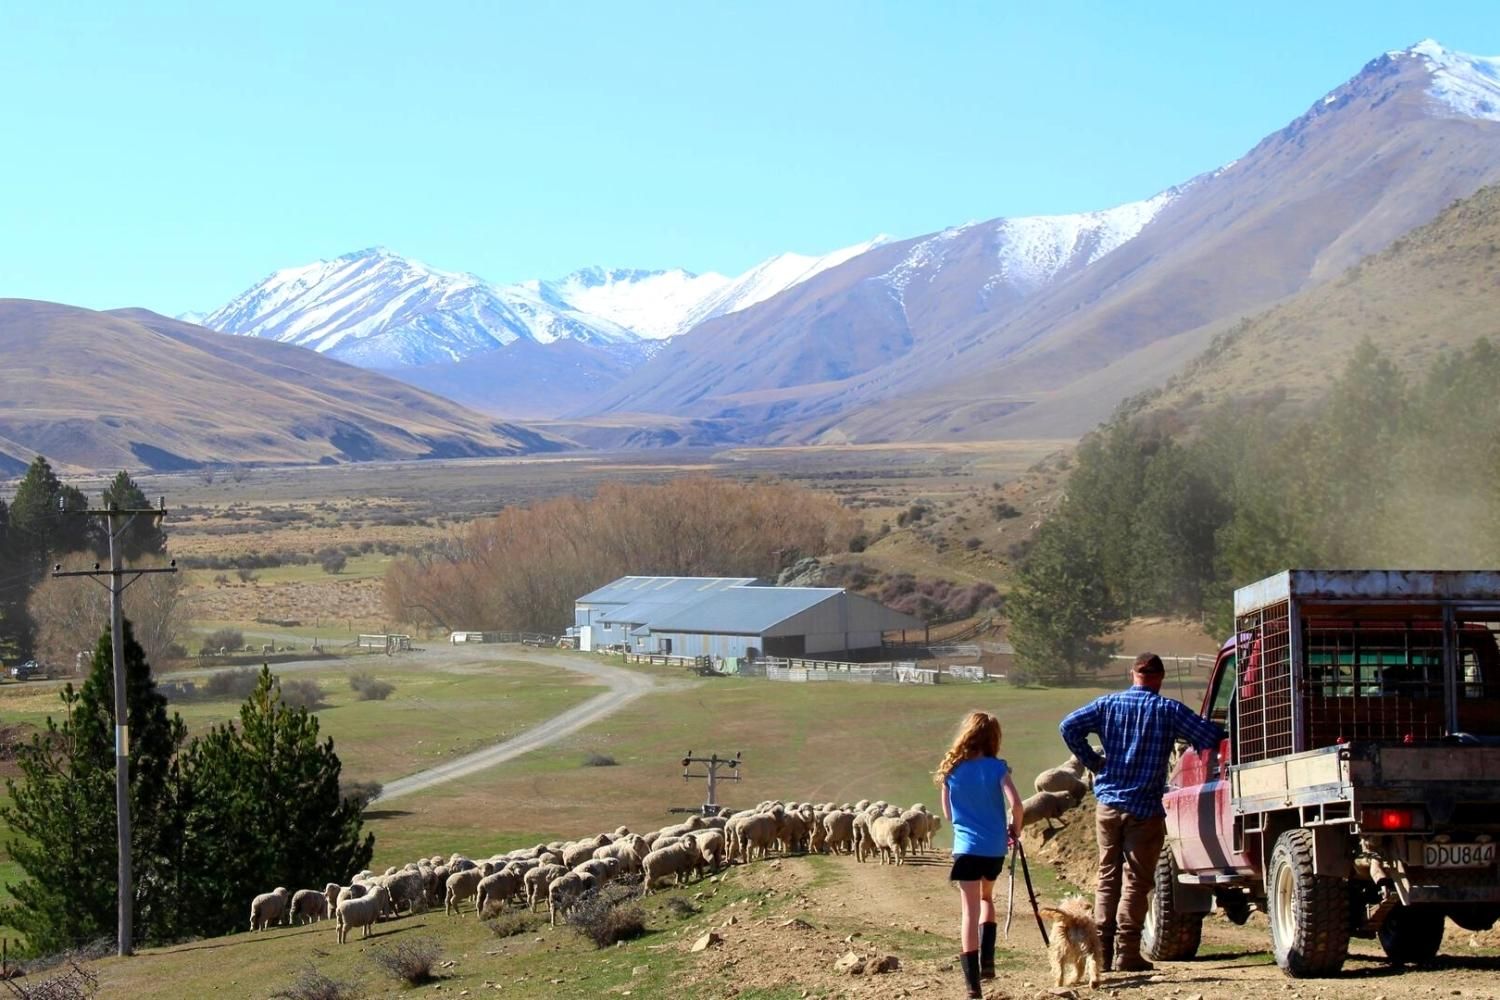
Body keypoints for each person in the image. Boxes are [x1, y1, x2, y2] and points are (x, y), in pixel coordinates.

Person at [1059, 652, 1225, 973]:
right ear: (1160, 678)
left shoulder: (1107, 705)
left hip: (1108, 805)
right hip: (1145, 809)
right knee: (1136, 881)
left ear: (1132, 674)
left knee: (1108, 877)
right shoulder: (1168, 710)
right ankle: (1128, 951)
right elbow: (1209, 737)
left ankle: (1102, 952)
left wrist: (1094, 762)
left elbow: (1068, 726)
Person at [936, 711, 1025, 999]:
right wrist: (1014, 828)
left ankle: (973, 987)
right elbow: (1017, 805)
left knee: (968, 912)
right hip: (995, 847)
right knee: (987, 898)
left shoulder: (952, 769)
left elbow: (948, 815)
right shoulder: (998, 768)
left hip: (966, 849)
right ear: (993, 738)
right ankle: (988, 962)